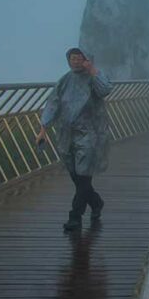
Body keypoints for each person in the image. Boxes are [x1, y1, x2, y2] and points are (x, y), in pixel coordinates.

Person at [37, 48, 113, 232]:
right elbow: (53, 103)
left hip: (89, 134)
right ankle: (96, 202)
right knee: (78, 177)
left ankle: (75, 217)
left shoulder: (94, 78)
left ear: (87, 59)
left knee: (84, 175)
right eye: (73, 58)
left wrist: (93, 70)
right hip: (66, 134)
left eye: (80, 58)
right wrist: (43, 129)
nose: (76, 61)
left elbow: (105, 90)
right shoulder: (64, 80)